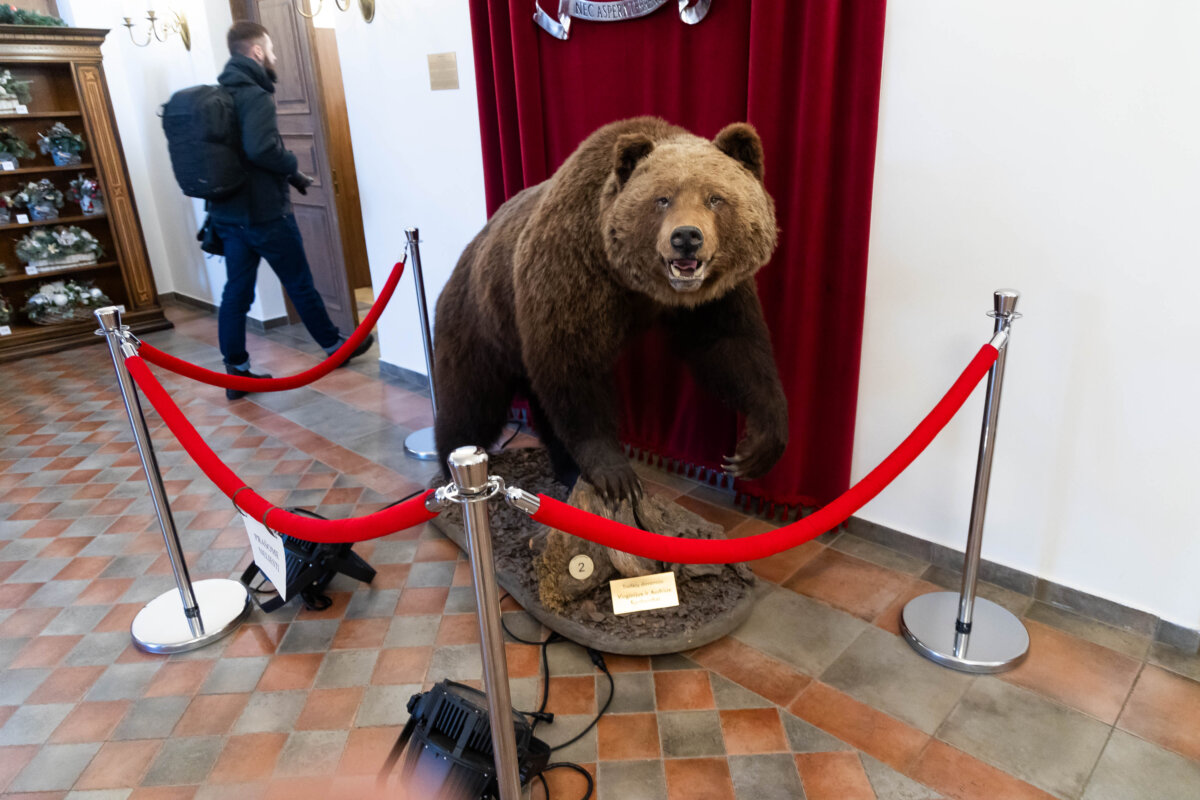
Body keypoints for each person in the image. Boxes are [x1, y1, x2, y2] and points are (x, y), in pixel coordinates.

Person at [207, 21, 373, 401]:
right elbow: (261, 149)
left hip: (228, 216)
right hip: (265, 213)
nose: (276, 57)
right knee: (299, 281)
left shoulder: (220, 93)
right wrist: (294, 167)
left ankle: (236, 372)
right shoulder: (255, 94)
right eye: (272, 49)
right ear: (257, 52)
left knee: (236, 294)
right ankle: (334, 347)